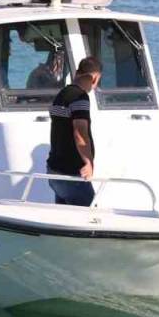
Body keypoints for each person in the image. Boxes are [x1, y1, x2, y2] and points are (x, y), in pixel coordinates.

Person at [46, 57, 102, 207]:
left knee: (64, 218)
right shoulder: (80, 98)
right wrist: (88, 162)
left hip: (54, 171)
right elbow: (80, 133)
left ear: (77, 73)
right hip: (70, 174)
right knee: (90, 216)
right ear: (95, 78)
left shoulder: (61, 95)